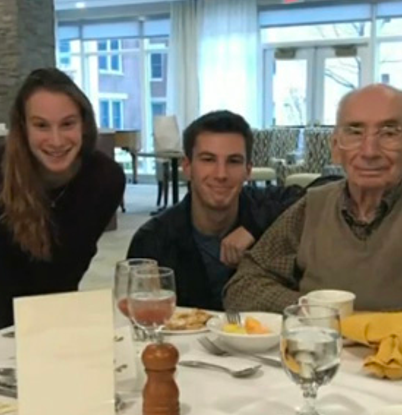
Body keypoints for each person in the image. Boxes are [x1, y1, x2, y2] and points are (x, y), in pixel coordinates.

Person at [223, 85, 402, 325]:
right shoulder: (312, 206)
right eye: (355, 132)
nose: (369, 151)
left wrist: (359, 325)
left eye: (389, 132)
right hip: (317, 356)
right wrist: (315, 312)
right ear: (336, 146)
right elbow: (243, 286)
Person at [0, 68, 125, 330]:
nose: (56, 140)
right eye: (41, 125)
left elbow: (69, 271)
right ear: (23, 128)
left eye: (68, 124)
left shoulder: (106, 178)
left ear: (84, 125)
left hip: (59, 311)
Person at [126, 111, 304, 310]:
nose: (221, 174)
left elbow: (321, 191)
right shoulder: (153, 240)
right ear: (188, 167)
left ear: (248, 170)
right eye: (208, 159)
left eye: (233, 161)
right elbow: (137, 313)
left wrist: (253, 227)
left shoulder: (265, 205)